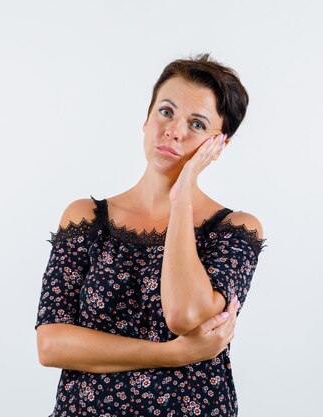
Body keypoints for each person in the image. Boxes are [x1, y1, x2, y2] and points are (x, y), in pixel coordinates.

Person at [34, 53, 267, 417]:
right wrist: (173, 354)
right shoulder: (85, 218)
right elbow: (52, 344)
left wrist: (181, 198)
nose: (174, 130)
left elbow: (184, 315)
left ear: (219, 144)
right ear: (145, 119)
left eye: (197, 124)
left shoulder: (236, 230)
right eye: (166, 111)